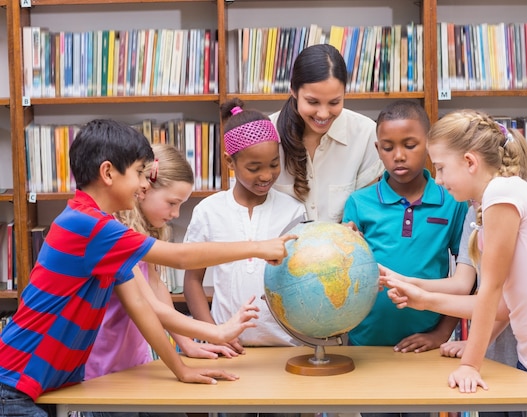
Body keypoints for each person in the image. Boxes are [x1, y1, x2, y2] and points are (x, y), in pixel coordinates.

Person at [0, 119, 294, 417]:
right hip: (17, 383)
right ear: (108, 173)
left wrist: (180, 368)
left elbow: (142, 306)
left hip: (42, 384)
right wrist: (258, 246)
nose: (144, 184)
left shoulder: (101, 229)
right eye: (140, 172)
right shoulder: (90, 225)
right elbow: (179, 257)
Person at [382, 109, 527, 417]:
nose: (439, 181)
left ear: (470, 162)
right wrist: (425, 299)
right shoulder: (497, 198)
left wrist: (470, 364)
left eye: (442, 169)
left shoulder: (502, 192)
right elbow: (504, 307)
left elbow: (491, 290)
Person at [83, 143, 252, 417]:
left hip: (136, 362)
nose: (175, 214)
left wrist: (185, 342)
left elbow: (157, 287)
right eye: (172, 203)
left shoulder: (145, 230)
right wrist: (216, 332)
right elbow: (148, 304)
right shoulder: (114, 232)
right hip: (104, 370)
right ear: (143, 189)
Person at [342, 100, 467, 417]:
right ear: (377, 148)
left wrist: (440, 334)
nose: (398, 155)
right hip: (366, 344)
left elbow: (468, 280)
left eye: (410, 145)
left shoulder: (452, 201)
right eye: (387, 147)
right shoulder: (359, 202)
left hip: (426, 343)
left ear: (428, 143)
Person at [184, 98, 306, 355]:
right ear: (230, 162)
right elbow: (193, 281)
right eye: (254, 168)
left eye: (274, 164)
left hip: (286, 350)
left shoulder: (294, 211)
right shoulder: (208, 211)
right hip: (226, 351)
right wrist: (213, 334)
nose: (266, 175)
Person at [270, 43, 384, 223]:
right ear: (293, 90)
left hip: (343, 249)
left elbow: (368, 212)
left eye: (334, 102)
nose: (323, 114)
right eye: (312, 102)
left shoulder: (365, 134)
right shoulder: (267, 133)